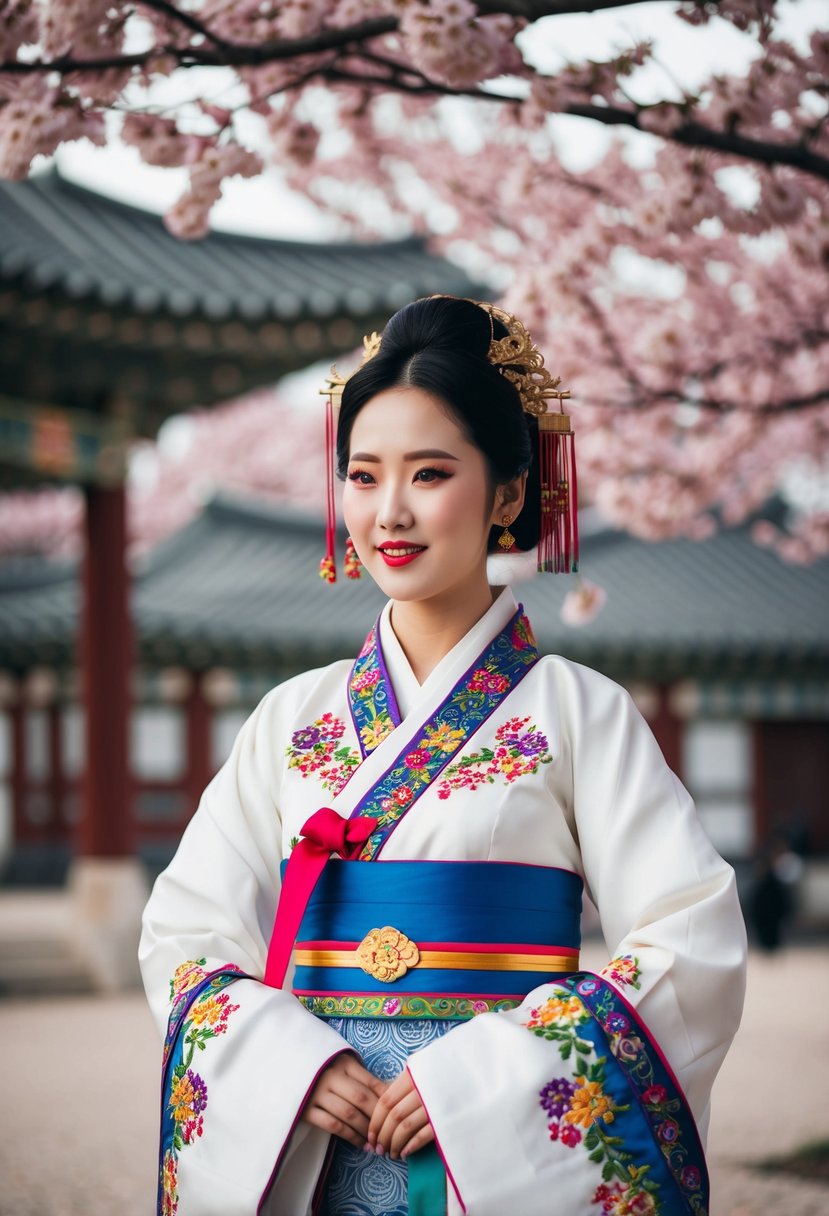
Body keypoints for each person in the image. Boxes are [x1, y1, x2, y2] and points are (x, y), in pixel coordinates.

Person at [139, 296, 747, 1216]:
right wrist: (285, 1065)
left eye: (429, 474)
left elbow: (688, 937)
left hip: (493, 1149)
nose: (389, 511)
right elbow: (185, 935)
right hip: (319, 1136)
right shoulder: (286, 718)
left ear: (507, 494)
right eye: (362, 475)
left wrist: (487, 1080)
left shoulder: (582, 713)